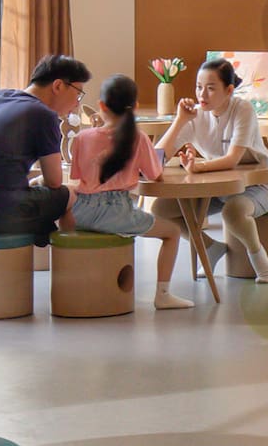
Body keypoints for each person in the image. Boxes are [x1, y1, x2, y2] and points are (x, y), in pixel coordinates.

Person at [69, 74, 191, 309]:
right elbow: (155, 174)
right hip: (117, 214)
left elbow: (78, 177)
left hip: (80, 212)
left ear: (101, 106)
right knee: (172, 232)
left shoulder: (83, 137)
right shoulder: (139, 138)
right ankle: (163, 295)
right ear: (135, 107)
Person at [156, 58, 268, 282]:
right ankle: (209, 247)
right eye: (198, 87)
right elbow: (156, 158)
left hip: (256, 187)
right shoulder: (194, 114)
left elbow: (232, 158)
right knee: (160, 209)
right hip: (217, 188)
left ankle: (260, 260)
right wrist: (179, 121)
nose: (202, 95)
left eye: (211, 88)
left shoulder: (243, 109)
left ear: (229, 90)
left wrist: (198, 167)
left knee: (232, 212)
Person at [0, 54, 91, 247]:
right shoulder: (43, 114)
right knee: (74, 194)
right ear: (58, 86)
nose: (77, 103)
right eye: (78, 94)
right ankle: (71, 268)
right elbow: (54, 181)